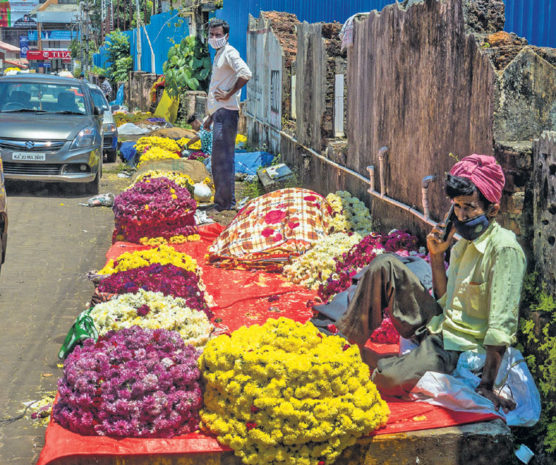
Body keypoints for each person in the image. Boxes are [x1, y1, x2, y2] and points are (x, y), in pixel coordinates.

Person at [336, 154, 526, 412]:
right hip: (440, 324)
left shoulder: (504, 250)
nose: (461, 215)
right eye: (456, 207)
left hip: (459, 347)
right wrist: (437, 256)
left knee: (386, 380)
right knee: (385, 265)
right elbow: (444, 300)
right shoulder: (463, 245)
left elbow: (501, 326)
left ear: (492, 210)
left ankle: (383, 365)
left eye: (469, 207)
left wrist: (486, 384)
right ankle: (341, 346)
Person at [204, 19, 252, 211]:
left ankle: (225, 203)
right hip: (220, 113)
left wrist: (229, 94)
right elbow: (218, 85)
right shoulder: (219, 55)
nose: (214, 38)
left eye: (218, 35)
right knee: (218, 159)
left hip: (227, 113)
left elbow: (245, 73)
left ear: (226, 36)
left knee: (223, 159)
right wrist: (211, 116)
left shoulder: (230, 52)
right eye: (212, 35)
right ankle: (223, 201)